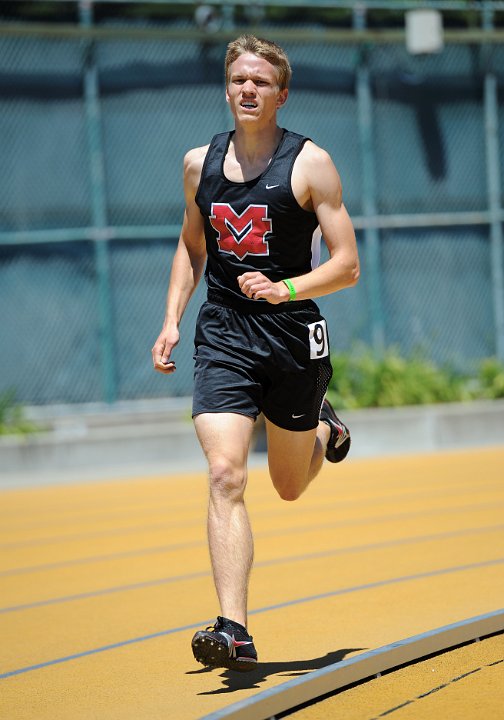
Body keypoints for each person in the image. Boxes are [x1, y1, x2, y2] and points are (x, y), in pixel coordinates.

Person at [152, 34, 360, 672]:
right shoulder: (199, 164)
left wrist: (285, 287)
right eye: (239, 80)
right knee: (225, 474)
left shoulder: (310, 165)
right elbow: (193, 246)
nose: (248, 90)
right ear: (226, 87)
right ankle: (233, 627)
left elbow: (348, 265)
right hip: (224, 333)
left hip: (292, 334)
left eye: (262, 82)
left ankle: (322, 429)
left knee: (289, 486)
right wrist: (171, 321)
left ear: (281, 93)